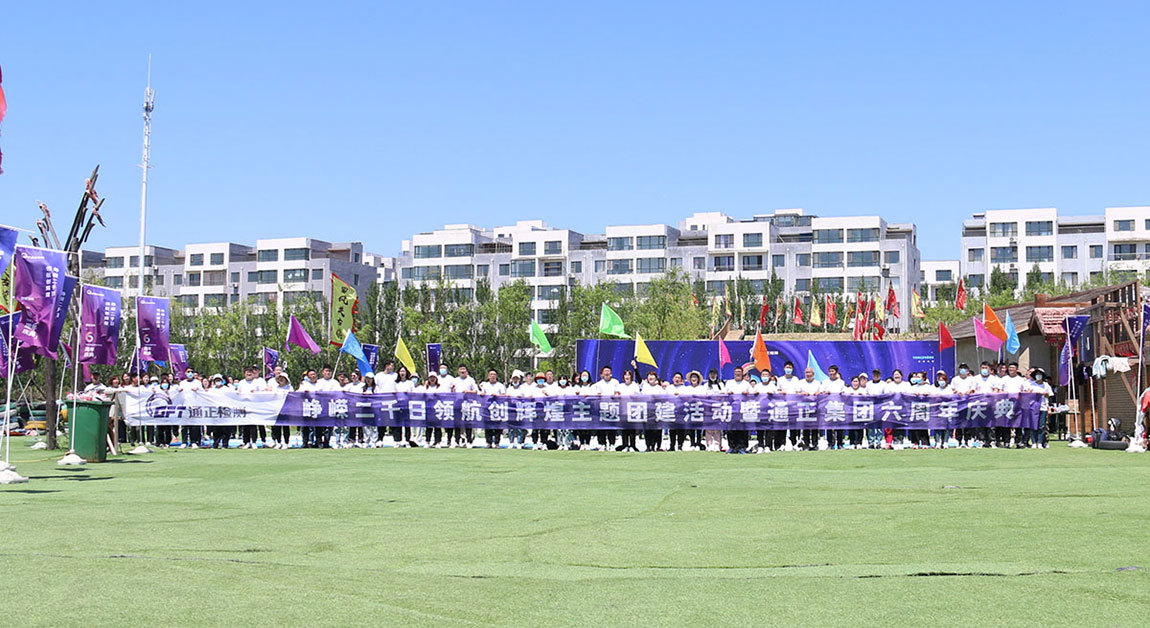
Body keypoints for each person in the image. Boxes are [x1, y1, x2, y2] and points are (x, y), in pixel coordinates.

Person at [588, 366, 621, 451]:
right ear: (602, 374)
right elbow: (596, 395)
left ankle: (612, 444)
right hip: (602, 408)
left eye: (608, 371)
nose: (606, 373)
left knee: (611, 427)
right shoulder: (598, 384)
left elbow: (617, 393)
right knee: (601, 427)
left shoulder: (615, 382)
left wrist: (616, 395)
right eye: (605, 371)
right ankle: (602, 443)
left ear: (611, 373)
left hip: (612, 407)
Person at [236, 365, 268, 449]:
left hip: (254, 406)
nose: (249, 374)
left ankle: (254, 442)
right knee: (245, 425)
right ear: (244, 374)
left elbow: (263, 392)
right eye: (247, 373)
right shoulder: (242, 382)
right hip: (244, 406)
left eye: (250, 373)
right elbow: (238, 392)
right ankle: (246, 442)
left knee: (253, 425)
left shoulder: (256, 382)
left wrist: (256, 392)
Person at [725, 367, 754, 453]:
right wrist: (728, 394)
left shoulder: (746, 384)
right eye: (736, 372)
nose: (738, 373)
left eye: (739, 372)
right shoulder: (729, 383)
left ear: (742, 373)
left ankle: (742, 447)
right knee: (731, 429)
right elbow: (723, 394)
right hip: (732, 409)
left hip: (743, 409)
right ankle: (732, 446)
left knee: (743, 429)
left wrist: (747, 394)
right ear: (734, 373)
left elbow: (752, 395)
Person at [313, 365, 341, 448]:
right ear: (323, 372)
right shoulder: (319, 382)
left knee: (329, 426)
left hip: (331, 406)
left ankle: (326, 442)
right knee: (319, 425)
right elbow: (316, 392)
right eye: (326, 371)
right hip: (320, 406)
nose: (328, 373)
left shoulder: (335, 382)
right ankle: (319, 442)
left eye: (329, 371)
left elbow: (338, 393)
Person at [821, 365, 847, 449]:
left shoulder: (841, 382)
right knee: (829, 426)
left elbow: (845, 392)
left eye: (832, 371)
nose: (831, 373)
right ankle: (830, 444)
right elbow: (821, 392)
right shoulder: (825, 382)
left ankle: (840, 444)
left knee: (839, 426)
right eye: (830, 371)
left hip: (838, 406)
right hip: (828, 406)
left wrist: (842, 393)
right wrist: (825, 392)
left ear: (836, 372)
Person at [176, 368, 203, 449]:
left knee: (194, 426)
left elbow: (202, 393)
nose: (190, 373)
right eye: (188, 372)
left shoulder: (197, 383)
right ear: (185, 373)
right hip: (184, 406)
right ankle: (184, 442)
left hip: (195, 406)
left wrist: (198, 390)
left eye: (191, 372)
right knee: (184, 425)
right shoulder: (182, 383)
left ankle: (193, 442)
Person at [418, 373, 447, 447]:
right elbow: (421, 396)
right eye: (431, 377)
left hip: (437, 409)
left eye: (433, 377)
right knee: (428, 427)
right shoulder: (425, 387)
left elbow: (444, 396)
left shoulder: (440, 387)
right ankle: (427, 441)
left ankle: (438, 442)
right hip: (428, 409)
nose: (432, 379)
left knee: (437, 427)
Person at [453, 365, 479, 447]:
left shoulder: (471, 380)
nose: (462, 371)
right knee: (457, 423)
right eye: (460, 370)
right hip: (457, 403)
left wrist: (467, 392)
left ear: (466, 371)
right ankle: (457, 441)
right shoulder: (455, 380)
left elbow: (476, 391)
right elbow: (452, 391)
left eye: (464, 369)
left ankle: (469, 441)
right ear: (458, 371)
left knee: (468, 423)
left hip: (468, 403)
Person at [479, 370, 506, 448]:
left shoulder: (500, 385)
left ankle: (497, 442)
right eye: (491, 374)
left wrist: (497, 395)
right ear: (488, 376)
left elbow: (504, 395)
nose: (492, 376)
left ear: (496, 376)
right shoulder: (485, 385)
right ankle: (489, 442)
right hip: (487, 408)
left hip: (497, 408)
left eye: (494, 374)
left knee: (497, 426)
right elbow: (482, 394)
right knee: (488, 426)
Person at [616, 368, 641, 452]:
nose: (627, 376)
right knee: (624, 429)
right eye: (625, 375)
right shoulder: (620, 386)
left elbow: (638, 396)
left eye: (629, 375)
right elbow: (616, 395)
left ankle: (633, 445)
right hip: (623, 410)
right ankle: (625, 445)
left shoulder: (635, 385)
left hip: (633, 410)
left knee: (632, 430)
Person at [1028, 368, 1054, 448]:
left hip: (1043, 407)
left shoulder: (1046, 385)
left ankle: (1040, 442)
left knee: (1042, 425)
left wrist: (1044, 394)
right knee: (1033, 425)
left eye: (1039, 374)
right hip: (1033, 407)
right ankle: (1033, 442)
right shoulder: (1031, 384)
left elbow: (1049, 396)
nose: (1038, 376)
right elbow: (1028, 394)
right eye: (1037, 374)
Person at [640, 371, 665, 451]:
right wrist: (635, 368)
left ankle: (653, 446)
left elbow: (664, 398)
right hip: (646, 411)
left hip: (656, 411)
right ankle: (648, 446)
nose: (651, 377)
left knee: (655, 430)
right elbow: (638, 378)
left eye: (652, 375)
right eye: (649, 375)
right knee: (647, 430)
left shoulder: (659, 388)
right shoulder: (644, 386)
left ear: (656, 378)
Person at [703, 369, 725, 452]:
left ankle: (717, 444)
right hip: (708, 408)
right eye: (711, 374)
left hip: (718, 408)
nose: (713, 375)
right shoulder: (706, 385)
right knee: (708, 428)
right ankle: (709, 444)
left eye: (714, 374)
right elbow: (703, 395)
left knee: (717, 428)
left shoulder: (720, 384)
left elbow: (724, 394)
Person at [296, 369, 320, 448]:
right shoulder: (304, 384)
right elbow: (298, 392)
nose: (313, 376)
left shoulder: (320, 384)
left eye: (314, 374)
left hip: (317, 406)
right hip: (307, 406)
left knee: (318, 426)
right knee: (305, 426)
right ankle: (305, 442)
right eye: (311, 375)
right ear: (308, 376)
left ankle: (318, 442)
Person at [505, 370, 528, 448]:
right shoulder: (509, 389)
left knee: (520, 427)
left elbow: (526, 399)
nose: (515, 380)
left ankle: (519, 442)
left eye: (517, 378)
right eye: (514, 378)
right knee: (511, 427)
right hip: (511, 409)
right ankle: (511, 442)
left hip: (520, 409)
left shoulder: (523, 389)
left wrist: (521, 398)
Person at [572, 370, 594, 449]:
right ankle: (581, 443)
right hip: (579, 408)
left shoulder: (592, 386)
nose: (584, 377)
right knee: (580, 426)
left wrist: (588, 395)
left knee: (588, 426)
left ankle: (587, 443)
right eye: (583, 376)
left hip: (589, 408)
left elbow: (594, 395)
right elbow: (574, 395)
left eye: (586, 375)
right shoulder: (577, 386)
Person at [270, 373, 293, 449]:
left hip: (286, 409)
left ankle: (286, 442)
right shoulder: (276, 388)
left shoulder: (289, 388)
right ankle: (278, 442)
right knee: (277, 427)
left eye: (282, 378)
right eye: (279, 378)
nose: (281, 380)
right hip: (276, 409)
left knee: (285, 427)